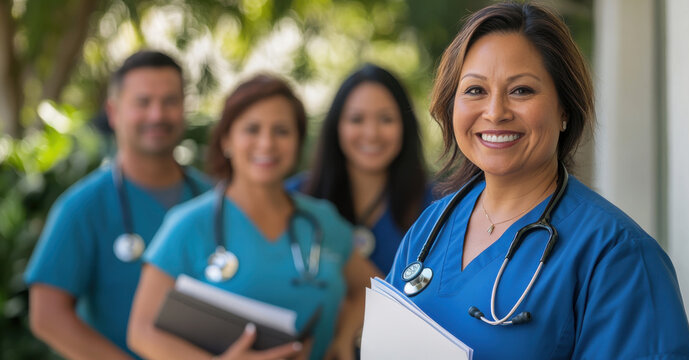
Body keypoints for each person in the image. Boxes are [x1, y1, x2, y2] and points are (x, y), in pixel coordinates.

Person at [383, 3, 689, 359]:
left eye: (521, 90)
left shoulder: (617, 255)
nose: (495, 111)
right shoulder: (430, 229)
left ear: (565, 108)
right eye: (475, 90)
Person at [128, 74, 373, 360]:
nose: (267, 143)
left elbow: (375, 290)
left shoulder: (323, 222)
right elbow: (141, 332)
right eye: (252, 129)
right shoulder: (189, 224)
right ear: (226, 140)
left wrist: (344, 337)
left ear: (298, 141)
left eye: (282, 131)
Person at [24, 50, 211, 359]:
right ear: (113, 112)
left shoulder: (213, 200)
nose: (157, 115)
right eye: (143, 102)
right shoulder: (82, 208)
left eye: (170, 102)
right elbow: (47, 316)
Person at [287, 64, 432, 275]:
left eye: (386, 119)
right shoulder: (294, 198)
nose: (371, 133)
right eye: (357, 119)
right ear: (336, 126)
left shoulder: (437, 208)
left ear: (405, 126)